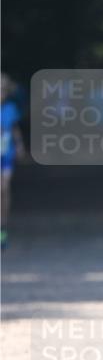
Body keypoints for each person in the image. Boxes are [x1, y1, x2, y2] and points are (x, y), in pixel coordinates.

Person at [1, 73, 27, 248]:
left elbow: (14, 128)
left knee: (4, 189)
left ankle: (2, 227)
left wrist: (19, 145)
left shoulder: (10, 108)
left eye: (2, 91)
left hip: (6, 156)